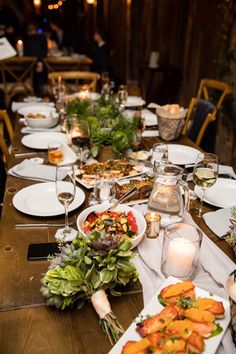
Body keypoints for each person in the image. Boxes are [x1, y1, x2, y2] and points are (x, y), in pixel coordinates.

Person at [24, 22, 48, 97]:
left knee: (36, 79)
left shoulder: (28, 40)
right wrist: (40, 63)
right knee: (39, 78)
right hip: (38, 67)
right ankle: (40, 94)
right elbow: (44, 52)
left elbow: (26, 55)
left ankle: (37, 94)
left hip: (29, 69)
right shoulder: (42, 38)